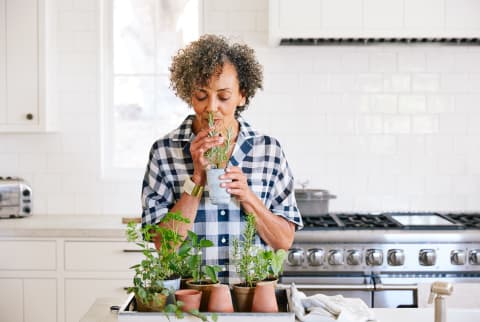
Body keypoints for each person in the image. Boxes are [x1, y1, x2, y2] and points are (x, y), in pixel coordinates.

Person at [141, 34, 303, 284]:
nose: (211, 107)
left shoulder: (268, 151)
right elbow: (164, 245)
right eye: (201, 96)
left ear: (242, 96)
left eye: (224, 96)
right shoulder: (165, 152)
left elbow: (283, 240)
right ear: (189, 95)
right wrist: (196, 179)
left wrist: (248, 197)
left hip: (251, 300)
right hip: (191, 302)